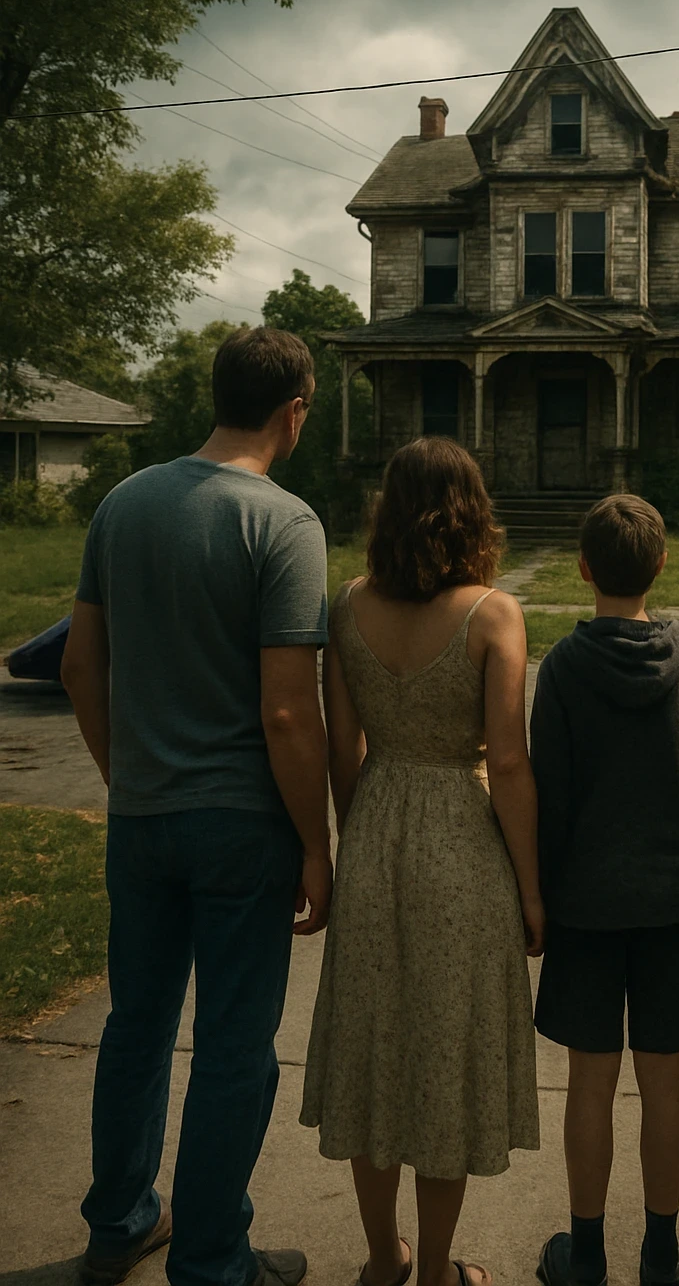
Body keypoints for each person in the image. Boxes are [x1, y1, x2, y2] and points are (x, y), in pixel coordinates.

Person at [61, 327, 332, 1286]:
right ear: (293, 409)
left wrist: (122, 771)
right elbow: (291, 711)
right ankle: (215, 1258)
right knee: (230, 1044)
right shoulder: (286, 525)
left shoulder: (122, 505)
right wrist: (317, 843)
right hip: (241, 827)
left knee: (135, 1024)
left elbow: (79, 664)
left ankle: (120, 1222)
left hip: (142, 814)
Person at [300, 436, 542, 1286]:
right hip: (461, 840)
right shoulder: (494, 614)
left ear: (388, 511)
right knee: (443, 1053)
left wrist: (342, 839)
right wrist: (534, 889)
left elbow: (341, 747)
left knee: (373, 1049)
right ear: (471, 512)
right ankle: (438, 1269)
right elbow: (507, 764)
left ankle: (381, 1260)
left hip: (375, 826)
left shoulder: (347, 607)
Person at [529, 494, 679, 1286]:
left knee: (590, 1079)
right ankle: (661, 1250)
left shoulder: (565, 670)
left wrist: (537, 894)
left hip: (584, 903)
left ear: (583, 569)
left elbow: (550, 793)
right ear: (662, 562)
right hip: (674, 903)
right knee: (664, 1079)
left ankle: (583, 1254)